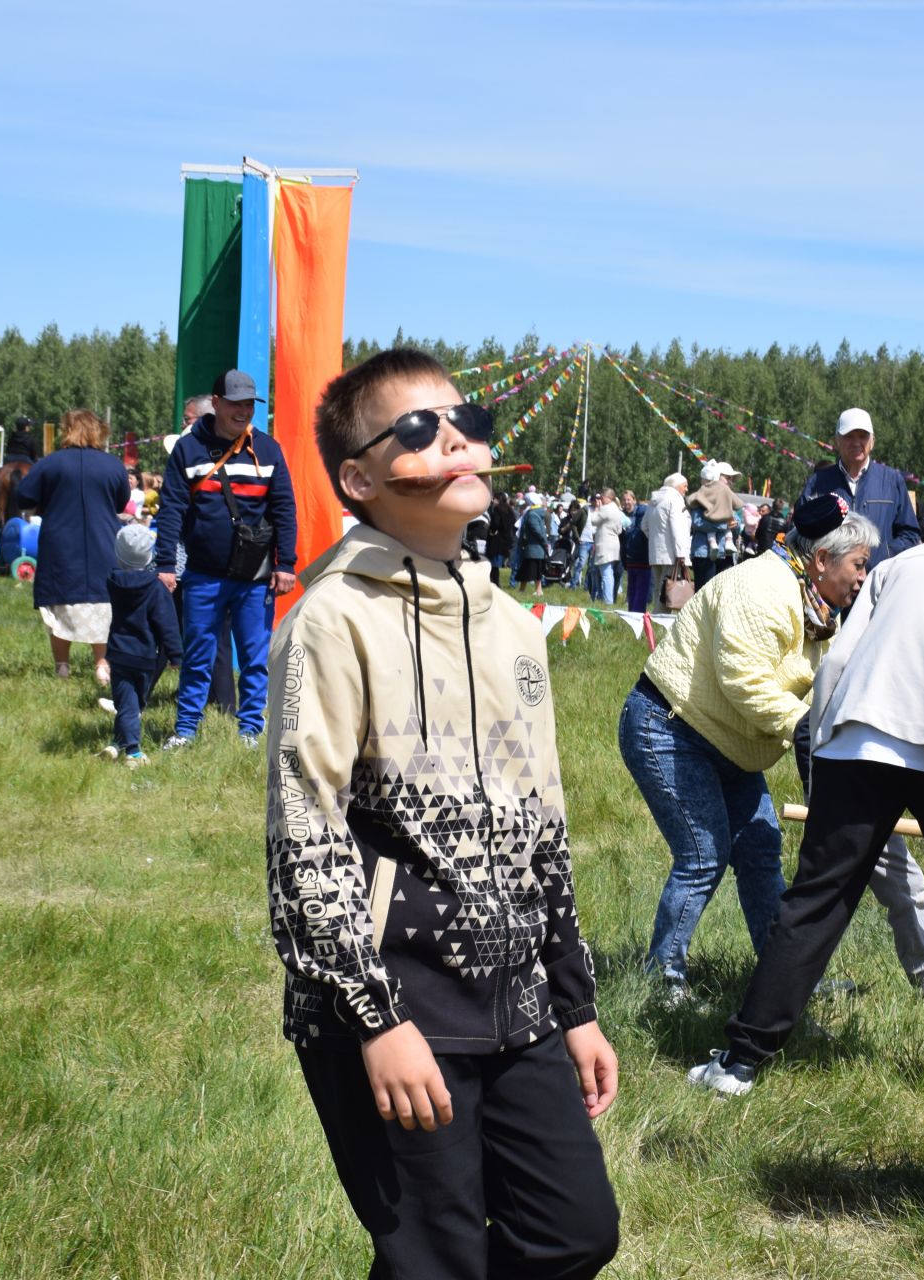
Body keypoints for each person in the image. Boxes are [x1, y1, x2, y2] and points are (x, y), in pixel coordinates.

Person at [272, 346, 619, 1279]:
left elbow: (545, 830)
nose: (459, 439)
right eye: (421, 429)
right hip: (394, 1001)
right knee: (437, 1256)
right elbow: (307, 834)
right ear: (361, 476)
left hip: (518, 1004)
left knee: (576, 1232)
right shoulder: (330, 619)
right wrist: (374, 1020)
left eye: (470, 423)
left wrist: (574, 1003)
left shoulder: (510, 625)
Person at [688, 479, 924, 1104]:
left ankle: (740, 1062)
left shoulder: (905, 563)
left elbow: (837, 662)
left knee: (816, 901)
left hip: (861, 741)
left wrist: (823, 752)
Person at [620, 495, 878, 1004]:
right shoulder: (763, 587)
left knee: (761, 853)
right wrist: (803, 727)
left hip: (732, 744)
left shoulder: (820, 609)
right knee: (702, 853)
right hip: (671, 728)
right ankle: (662, 980)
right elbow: (743, 680)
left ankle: (785, 975)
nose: (864, 577)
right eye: (859, 565)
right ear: (823, 560)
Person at [154, 371, 299, 750]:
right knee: (197, 655)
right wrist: (165, 564)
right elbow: (170, 509)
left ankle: (251, 730)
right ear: (216, 403)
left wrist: (286, 565)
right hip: (202, 575)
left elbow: (285, 509)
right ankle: (186, 731)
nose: (243, 410)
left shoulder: (268, 450)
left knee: (254, 657)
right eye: (235, 403)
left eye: (249, 404)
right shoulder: (188, 450)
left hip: (255, 577)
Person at [17, 409, 129, 683]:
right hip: (103, 541)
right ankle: (102, 665)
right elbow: (120, 502)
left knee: (60, 602)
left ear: (68, 430)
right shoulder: (112, 465)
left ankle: (62, 667)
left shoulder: (50, 463)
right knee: (104, 605)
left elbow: (24, 497)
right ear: (98, 431)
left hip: (60, 542)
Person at [97, 523, 180, 765]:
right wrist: (175, 654)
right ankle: (133, 752)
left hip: (118, 653)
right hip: (145, 656)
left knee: (125, 701)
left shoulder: (113, 582)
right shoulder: (155, 588)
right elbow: (168, 623)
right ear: (151, 555)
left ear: (118, 553)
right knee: (133, 704)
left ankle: (117, 742)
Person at [798, 408, 921, 560]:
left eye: (863, 436)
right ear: (837, 441)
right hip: (831, 581)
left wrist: (886, 556)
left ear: (872, 442)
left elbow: (910, 534)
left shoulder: (892, 481)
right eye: (849, 436)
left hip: (879, 580)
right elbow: (800, 532)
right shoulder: (818, 482)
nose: (856, 443)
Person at [689, 460, 746, 588]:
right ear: (716, 476)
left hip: (724, 555)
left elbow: (736, 525)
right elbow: (698, 522)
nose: (730, 482)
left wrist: (735, 524)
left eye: (732, 479)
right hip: (704, 553)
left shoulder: (728, 497)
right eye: (727, 478)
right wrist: (725, 525)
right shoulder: (701, 496)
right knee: (704, 594)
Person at [643, 472, 691, 607]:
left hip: (655, 554)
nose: (686, 489)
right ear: (676, 486)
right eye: (685, 486)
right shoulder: (675, 500)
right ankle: (662, 624)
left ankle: (655, 623)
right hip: (672, 555)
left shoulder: (654, 501)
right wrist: (681, 554)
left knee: (659, 590)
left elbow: (644, 526)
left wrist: (656, 540)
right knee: (668, 593)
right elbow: (678, 529)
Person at [589, 488, 627, 604]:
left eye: (602, 497)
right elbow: (620, 530)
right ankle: (606, 598)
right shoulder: (617, 509)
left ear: (608, 498)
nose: (600, 500)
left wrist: (597, 509)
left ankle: (608, 600)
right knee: (608, 573)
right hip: (614, 544)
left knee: (606, 574)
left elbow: (593, 520)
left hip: (604, 545)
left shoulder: (605, 509)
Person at [514, 494, 553, 595]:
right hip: (535, 547)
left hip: (533, 546)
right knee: (529, 569)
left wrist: (544, 543)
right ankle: (525, 590)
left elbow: (537, 531)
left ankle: (538, 591)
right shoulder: (536, 513)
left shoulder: (531, 514)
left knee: (533, 570)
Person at [621, 492, 653, 612]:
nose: (626, 502)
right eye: (624, 500)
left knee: (635, 590)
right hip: (638, 560)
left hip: (635, 559)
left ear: (634, 500)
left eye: (629, 499)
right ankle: (636, 615)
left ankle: (633, 614)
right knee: (638, 590)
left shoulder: (636, 521)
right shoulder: (624, 517)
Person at [484, 490, 515, 583]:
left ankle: (494, 581)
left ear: (497, 499)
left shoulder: (497, 509)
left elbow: (496, 523)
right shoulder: (510, 510)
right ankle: (494, 581)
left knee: (493, 563)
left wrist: (491, 528)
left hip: (497, 539)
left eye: (494, 498)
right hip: (506, 538)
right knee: (497, 563)